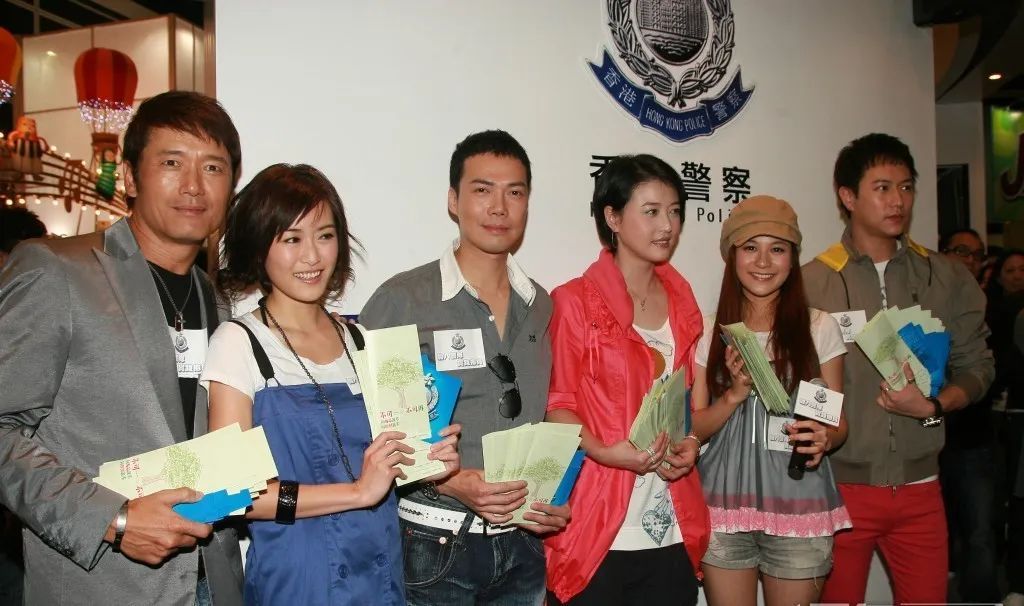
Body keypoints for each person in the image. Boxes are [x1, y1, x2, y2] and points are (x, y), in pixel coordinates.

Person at [0, 91, 245, 605]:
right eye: (172, 163)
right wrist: (113, 519)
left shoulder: (218, 301)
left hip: (212, 582)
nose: (194, 185)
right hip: (105, 584)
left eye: (213, 167)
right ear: (130, 177)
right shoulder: (57, 270)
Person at [201, 163, 460, 605]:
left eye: (325, 235)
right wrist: (358, 491)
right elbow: (230, 494)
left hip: (379, 572)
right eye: (291, 239)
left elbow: (388, 466)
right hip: (297, 578)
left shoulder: (362, 340)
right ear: (260, 248)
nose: (312, 257)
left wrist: (426, 462)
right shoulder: (239, 342)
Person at [360, 130, 571, 605]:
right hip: (434, 543)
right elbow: (368, 429)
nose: (499, 207)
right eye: (482, 190)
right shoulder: (403, 299)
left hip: (522, 544)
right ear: (454, 201)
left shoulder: (540, 304)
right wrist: (452, 482)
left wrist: (551, 496)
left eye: (514, 193)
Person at [803, 133, 994, 604]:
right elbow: (801, 383)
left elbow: (978, 367)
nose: (898, 201)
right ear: (848, 197)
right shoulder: (814, 281)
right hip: (840, 486)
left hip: (921, 488)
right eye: (882, 188)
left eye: (906, 187)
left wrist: (933, 407)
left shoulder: (945, 276)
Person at [544, 154, 708, 606]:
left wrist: (691, 442)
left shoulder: (683, 299)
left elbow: (685, 403)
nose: (667, 225)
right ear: (613, 217)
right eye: (651, 211)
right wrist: (604, 450)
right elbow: (557, 405)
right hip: (597, 524)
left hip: (671, 523)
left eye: (675, 211)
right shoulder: (574, 302)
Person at [692, 195, 849, 606]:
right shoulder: (708, 331)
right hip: (723, 507)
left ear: (793, 258)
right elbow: (693, 428)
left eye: (777, 249)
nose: (763, 261)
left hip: (800, 504)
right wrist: (734, 395)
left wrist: (825, 438)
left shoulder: (819, 327)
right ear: (732, 255)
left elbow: (837, 424)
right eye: (750, 247)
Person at [937, 227, 1001, 603]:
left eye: (977, 255)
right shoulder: (928, 303)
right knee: (939, 533)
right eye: (961, 251)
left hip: (973, 437)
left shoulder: (987, 307)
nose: (969, 260)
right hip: (929, 440)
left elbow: (991, 370)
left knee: (979, 530)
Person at [986, 250, 1024, 606]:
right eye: (1010, 270)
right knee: (1013, 498)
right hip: (1010, 416)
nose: (1017, 275)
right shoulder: (1002, 313)